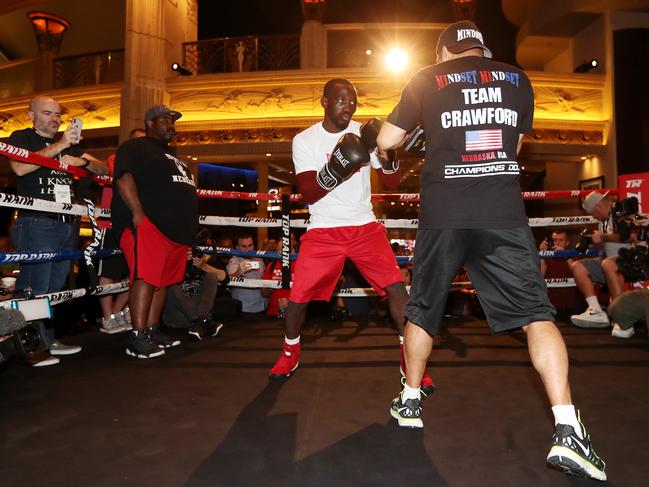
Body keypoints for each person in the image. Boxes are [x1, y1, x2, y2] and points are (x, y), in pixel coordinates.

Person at [377, 21, 605, 481]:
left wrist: (418, 142)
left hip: (444, 213)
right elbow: (516, 145)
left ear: (443, 54)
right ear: (482, 48)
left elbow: (385, 142)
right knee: (537, 315)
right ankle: (568, 429)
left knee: (422, 311)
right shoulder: (518, 79)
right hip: (501, 213)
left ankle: (410, 399)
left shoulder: (425, 77)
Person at [267, 78, 434, 395]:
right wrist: (338, 167)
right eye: (342, 100)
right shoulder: (304, 141)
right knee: (298, 300)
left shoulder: (364, 132)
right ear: (325, 102)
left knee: (398, 292)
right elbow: (309, 194)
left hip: (364, 227)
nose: (349, 106)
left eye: (353, 101)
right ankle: (290, 352)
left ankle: (411, 360)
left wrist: (387, 153)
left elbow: (394, 181)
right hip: (323, 228)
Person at [7, 95, 108, 364]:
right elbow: (19, 166)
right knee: (34, 287)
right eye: (47, 113)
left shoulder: (68, 144)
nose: (55, 119)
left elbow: (103, 168)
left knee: (53, 289)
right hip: (36, 221)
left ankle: (47, 340)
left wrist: (81, 161)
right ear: (31, 115)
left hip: (65, 223)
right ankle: (28, 347)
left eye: (57, 114)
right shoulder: (21, 137)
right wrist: (61, 148)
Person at [111, 105, 198, 359]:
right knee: (146, 277)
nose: (171, 124)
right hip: (149, 225)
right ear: (150, 122)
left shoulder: (175, 157)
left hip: (175, 233)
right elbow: (123, 177)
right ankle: (136, 336)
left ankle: (151, 329)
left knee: (163, 283)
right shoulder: (136, 147)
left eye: (173, 121)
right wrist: (137, 211)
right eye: (165, 120)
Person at [97, 128, 146, 334]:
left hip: (134, 226)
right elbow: (113, 175)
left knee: (135, 272)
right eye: (138, 142)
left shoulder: (148, 165)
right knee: (109, 271)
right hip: (109, 225)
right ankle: (107, 318)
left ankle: (117, 312)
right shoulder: (116, 159)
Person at [570, 191, 628, 337]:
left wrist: (602, 237)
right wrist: (596, 244)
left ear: (597, 207)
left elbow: (628, 237)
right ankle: (596, 311)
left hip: (628, 260)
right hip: (607, 260)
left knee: (608, 264)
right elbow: (608, 243)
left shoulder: (620, 211)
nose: (593, 217)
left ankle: (623, 318)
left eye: (592, 214)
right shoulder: (603, 221)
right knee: (578, 267)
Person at [163, 246, 226, 340]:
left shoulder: (202, 261)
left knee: (212, 276)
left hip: (200, 311)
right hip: (178, 316)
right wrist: (178, 261)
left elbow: (224, 277)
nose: (188, 254)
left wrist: (203, 266)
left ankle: (201, 321)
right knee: (168, 286)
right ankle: (202, 320)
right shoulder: (167, 260)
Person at [226, 234, 267, 313]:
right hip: (242, 309)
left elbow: (264, 279)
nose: (248, 249)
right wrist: (238, 272)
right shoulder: (233, 261)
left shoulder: (259, 259)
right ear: (237, 247)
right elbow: (228, 281)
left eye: (250, 245)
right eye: (244, 246)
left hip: (262, 307)